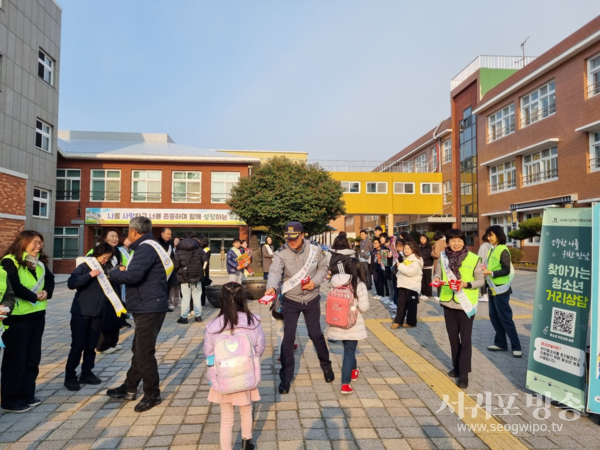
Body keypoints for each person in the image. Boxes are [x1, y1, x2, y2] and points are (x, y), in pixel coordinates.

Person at [107, 216, 171, 413]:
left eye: (128, 232)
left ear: (134, 231)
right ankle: (130, 386)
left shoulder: (145, 248)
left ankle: (152, 394)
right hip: (150, 303)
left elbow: (133, 276)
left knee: (144, 352)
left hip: (148, 306)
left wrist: (114, 272)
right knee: (139, 348)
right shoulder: (151, 246)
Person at [265, 221, 333, 394]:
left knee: (315, 334)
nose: (291, 242)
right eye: (288, 238)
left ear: (303, 235)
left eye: (295, 238)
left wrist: (315, 282)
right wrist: (271, 286)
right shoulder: (281, 253)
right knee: (288, 337)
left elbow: (323, 267)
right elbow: (274, 271)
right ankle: (285, 378)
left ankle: (326, 366)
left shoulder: (315, 250)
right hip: (291, 300)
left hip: (311, 299)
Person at [204, 283, 265, 450]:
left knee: (226, 418)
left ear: (222, 299)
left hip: (223, 377)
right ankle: (247, 443)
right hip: (245, 374)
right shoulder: (253, 321)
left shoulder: (213, 326)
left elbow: (208, 353)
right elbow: (260, 348)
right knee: (246, 410)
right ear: (242, 298)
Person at [1, 230, 55, 413]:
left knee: (32, 358)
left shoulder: (39, 262)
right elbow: (13, 286)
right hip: (17, 318)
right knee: (15, 360)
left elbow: (50, 279)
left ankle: (27, 394)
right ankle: (11, 400)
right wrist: (34, 296)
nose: (38, 246)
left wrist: (46, 292)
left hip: (37, 316)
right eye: (34, 242)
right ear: (23, 243)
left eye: (40, 242)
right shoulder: (10, 261)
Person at [65, 242, 122, 391]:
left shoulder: (107, 267)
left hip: (98, 313)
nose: (105, 260)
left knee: (91, 346)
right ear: (97, 254)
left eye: (108, 258)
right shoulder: (85, 265)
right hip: (81, 312)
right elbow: (71, 283)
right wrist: (89, 275)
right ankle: (70, 376)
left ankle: (86, 372)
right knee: (78, 345)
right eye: (104, 257)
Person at [433, 228, 484, 388]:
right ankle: (456, 366)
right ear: (447, 242)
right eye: (453, 240)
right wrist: (436, 280)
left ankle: (464, 373)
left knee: (466, 338)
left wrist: (466, 284)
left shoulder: (474, 258)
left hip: (466, 304)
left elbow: (480, 281)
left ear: (464, 241)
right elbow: (438, 274)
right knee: (453, 337)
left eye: (459, 240)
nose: (456, 243)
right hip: (448, 302)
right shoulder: (443, 257)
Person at [326, 258, 370, 395]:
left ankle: (354, 370)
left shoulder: (334, 282)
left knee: (349, 348)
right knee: (349, 351)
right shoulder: (359, 285)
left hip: (336, 321)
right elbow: (364, 307)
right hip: (352, 323)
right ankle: (345, 384)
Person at [483, 225, 521, 358]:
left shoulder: (503, 250)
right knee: (494, 316)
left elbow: (506, 270)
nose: (489, 238)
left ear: (499, 235)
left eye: (491, 235)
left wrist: (491, 272)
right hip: (492, 288)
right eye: (488, 235)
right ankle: (501, 343)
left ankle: (516, 346)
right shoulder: (492, 249)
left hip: (501, 289)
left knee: (505, 318)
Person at [94, 228, 124, 354]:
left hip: (115, 286)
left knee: (116, 314)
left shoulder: (117, 251)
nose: (115, 239)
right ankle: (102, 346)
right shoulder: (98, 251)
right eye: (111, 236)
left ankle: (113, 342)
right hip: (104, 289)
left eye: (116, 236)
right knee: (107, 317)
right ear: (105, 238)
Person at [174, 232, 206, 324]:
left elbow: (176, 265)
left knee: (185, 298)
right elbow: (205, 260)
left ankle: (184, 317)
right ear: (193, 238)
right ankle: (198, 316)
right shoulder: (199, 248)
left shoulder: (179, 249)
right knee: (197, 296)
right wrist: (201, 270)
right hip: (197, 276)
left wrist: (179, 271)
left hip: (184, 278)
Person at [391, 240, 423, 329]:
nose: (406, 250)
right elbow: (401, 271)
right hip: (403, 284)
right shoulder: (405, 259)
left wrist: (399, 266)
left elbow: (410, 272)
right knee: (401, 304)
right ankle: (398, 321)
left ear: (413, 250)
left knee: (411, 305)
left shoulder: (416, 260)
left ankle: (411, 322)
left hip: (412, 286)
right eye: (405, 248)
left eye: (408, 248)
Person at [159, 228, 181, 312]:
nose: (169, 236)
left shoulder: (169, 244)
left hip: (169, 271)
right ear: (162, 234)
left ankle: (166, 305)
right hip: (160, 271)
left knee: (168, 288)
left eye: (170, 234)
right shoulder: (158, 243)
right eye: (167, 234)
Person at [430, 230, 447, 299]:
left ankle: (439, 295)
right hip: (446, 261)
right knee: (444, 278)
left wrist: (431, 252)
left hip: (438, 262)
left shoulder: (438, 243)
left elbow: (436, 254)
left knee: (438, 277)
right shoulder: (446, 241)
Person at [477, 234, 493, 303]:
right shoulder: (493, 246)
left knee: (482, 279)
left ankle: (484, 295)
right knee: (489, 280)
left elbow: (480, 257)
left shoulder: (483, 246)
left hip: (483, 265)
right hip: (491, 265)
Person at [418, 234, 433, 299]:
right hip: (421, 266)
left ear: (426, 239)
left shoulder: (429, 246)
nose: (422, 240)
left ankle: (428, 293)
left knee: (428, 280)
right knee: (422, 280)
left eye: (424, 238)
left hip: (427, 265)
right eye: (421, 238)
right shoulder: (419, 246)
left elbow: (428, 255)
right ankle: (423, 293)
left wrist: (420, 258)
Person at [198, 235, 211, 307]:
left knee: (203, 286)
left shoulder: (206, 250)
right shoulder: (200, 249)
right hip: (201, 270)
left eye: (199, 240)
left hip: (204, 270)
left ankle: (202, 301)